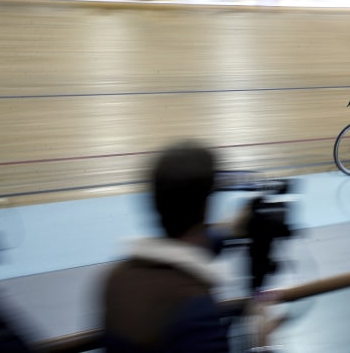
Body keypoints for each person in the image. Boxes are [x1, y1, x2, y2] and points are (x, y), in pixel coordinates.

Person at [100, 141, 245, 353]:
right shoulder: (194, 307)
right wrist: (264, 341)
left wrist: (228, 231)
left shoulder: (117, 277)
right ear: (207, 206)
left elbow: (183, 252)